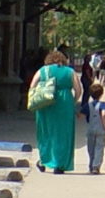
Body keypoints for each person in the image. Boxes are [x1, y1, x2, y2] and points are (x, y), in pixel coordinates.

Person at [27, 45, 79, 175]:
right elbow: (78, 90)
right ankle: (59, 164)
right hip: (65, 103)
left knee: (45, 132)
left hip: (46, 103)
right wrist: (72, 101)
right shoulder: (70, 71)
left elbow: (32, 86)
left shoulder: (43, 70)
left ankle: (45, 160)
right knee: (63, 134)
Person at [78, 61, 105, 175]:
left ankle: (91, 165)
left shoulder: (87, 105)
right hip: (100, 130)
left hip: (90, 129)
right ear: (101, 94)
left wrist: (78, 115)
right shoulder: (103, 105)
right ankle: (96, 166)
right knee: (99, 148)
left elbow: (81, 116)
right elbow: (104, 114)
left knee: (90, 148)